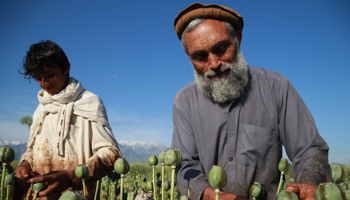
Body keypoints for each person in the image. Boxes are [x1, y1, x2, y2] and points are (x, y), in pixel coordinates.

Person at [171, 3, 331, 200]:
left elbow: (309, 149)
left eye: (221, 48)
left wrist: (309, 182)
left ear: (237, 39)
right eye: (200, 57)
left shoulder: (277, 87)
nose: (213, 64)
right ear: (190, 59)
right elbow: (184, 166)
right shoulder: (184, 101)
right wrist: (212, 195)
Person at [16, 40, 121, 200]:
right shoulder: (41, 108)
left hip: (77, 195)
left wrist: (72, 176)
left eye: (50, 75)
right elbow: (32, 151)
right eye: (38, 78)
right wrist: (25, 164)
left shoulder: (89, 102)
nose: (44, 84)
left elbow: (110, 153)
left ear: (66, 68)